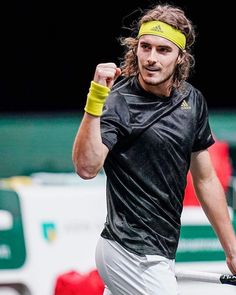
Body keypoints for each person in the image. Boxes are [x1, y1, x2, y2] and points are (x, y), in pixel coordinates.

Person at [72, 3, 236, 294]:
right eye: (145, 47)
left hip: (160, 253)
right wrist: (96, 97)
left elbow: (205, 178)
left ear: (180, 58)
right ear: (135, 49)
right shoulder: (117, 101)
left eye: (163, 50)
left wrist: (232, 250)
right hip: (127, 252)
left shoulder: (193, 101)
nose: (151, 58)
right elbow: (86, 167)